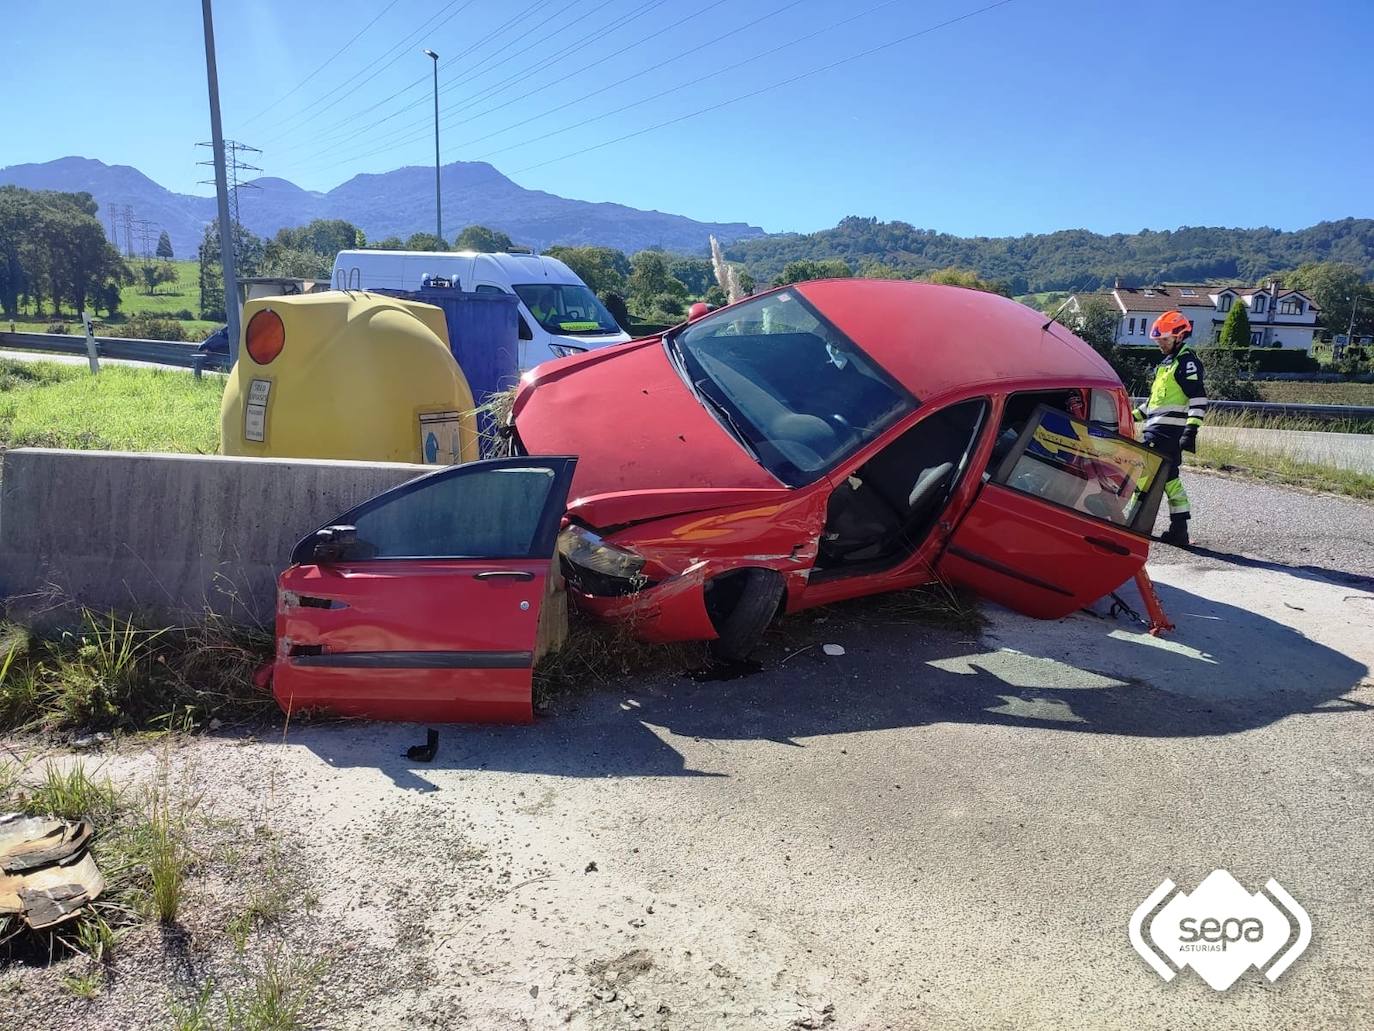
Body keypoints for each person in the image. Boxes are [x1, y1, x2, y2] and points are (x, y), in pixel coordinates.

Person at [1133, 310, 1207, 546]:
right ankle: (1179, 530)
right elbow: (1153, 404)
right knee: (1170, 479)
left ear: (1179, 336)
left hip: (1166, 432)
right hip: (1157, 430)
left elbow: (1198, 397)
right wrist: (1129, 416)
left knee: (1143, 474)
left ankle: (1131, 522)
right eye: (1158, 341)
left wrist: (1191, 430)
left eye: (1164, 340)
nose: (1160, 345)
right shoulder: (1166, 364)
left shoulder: (1187, 363)